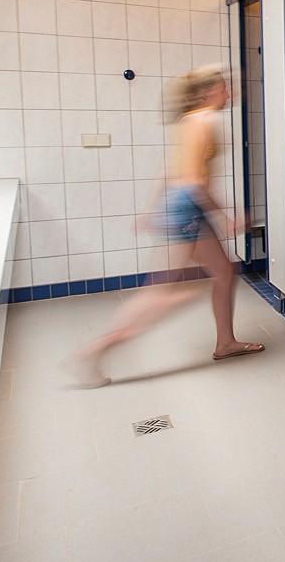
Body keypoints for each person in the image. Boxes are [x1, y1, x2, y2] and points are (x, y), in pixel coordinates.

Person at [68, 66, 263, 388]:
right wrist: (226, 215)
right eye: (223, 89)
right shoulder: (202, 124)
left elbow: (168, 168)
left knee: (225, 273)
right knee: (160, 294)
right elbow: (193, 183)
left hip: (182, 209)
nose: (229, 94)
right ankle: (91, 354)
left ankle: (225, 343)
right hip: (187, 211)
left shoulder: (188, 122)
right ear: (206, 93)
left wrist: (151, 208)